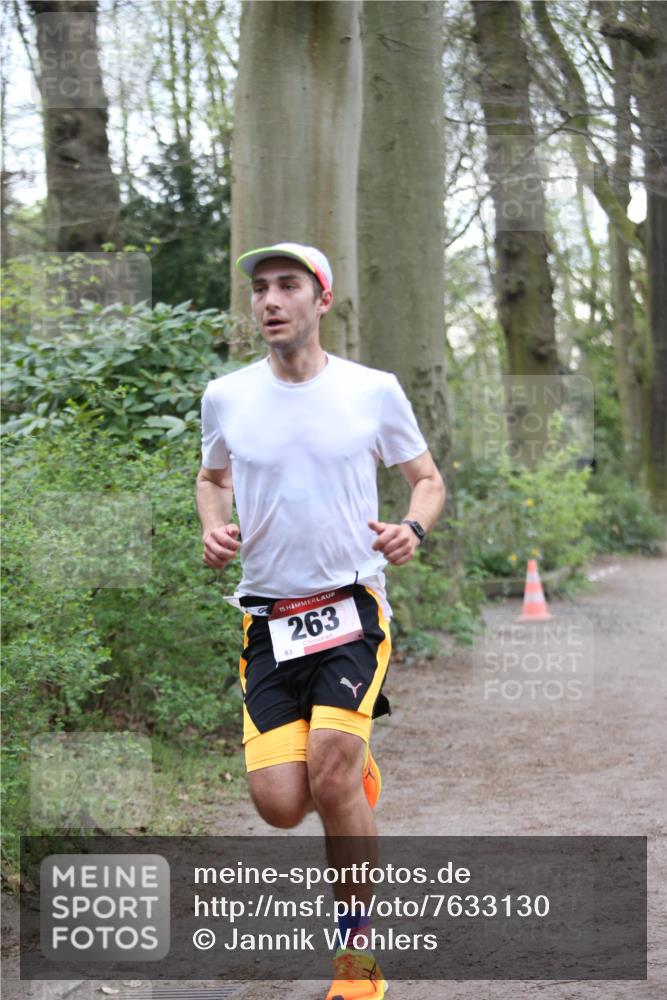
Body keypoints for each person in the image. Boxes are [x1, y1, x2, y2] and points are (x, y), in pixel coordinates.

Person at [196, 242, 446, 1000]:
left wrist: (412, 527)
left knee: (329, 770)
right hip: (267, 619)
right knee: (280, 805)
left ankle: (356, 958)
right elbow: (212, 478)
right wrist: (212, 524)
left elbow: (426, 479)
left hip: (350, 607)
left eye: (287, 286)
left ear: (321, 300)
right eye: (261, 289)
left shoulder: (372, 391)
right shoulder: (227, 395)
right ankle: (351, 770)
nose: (270, 300)